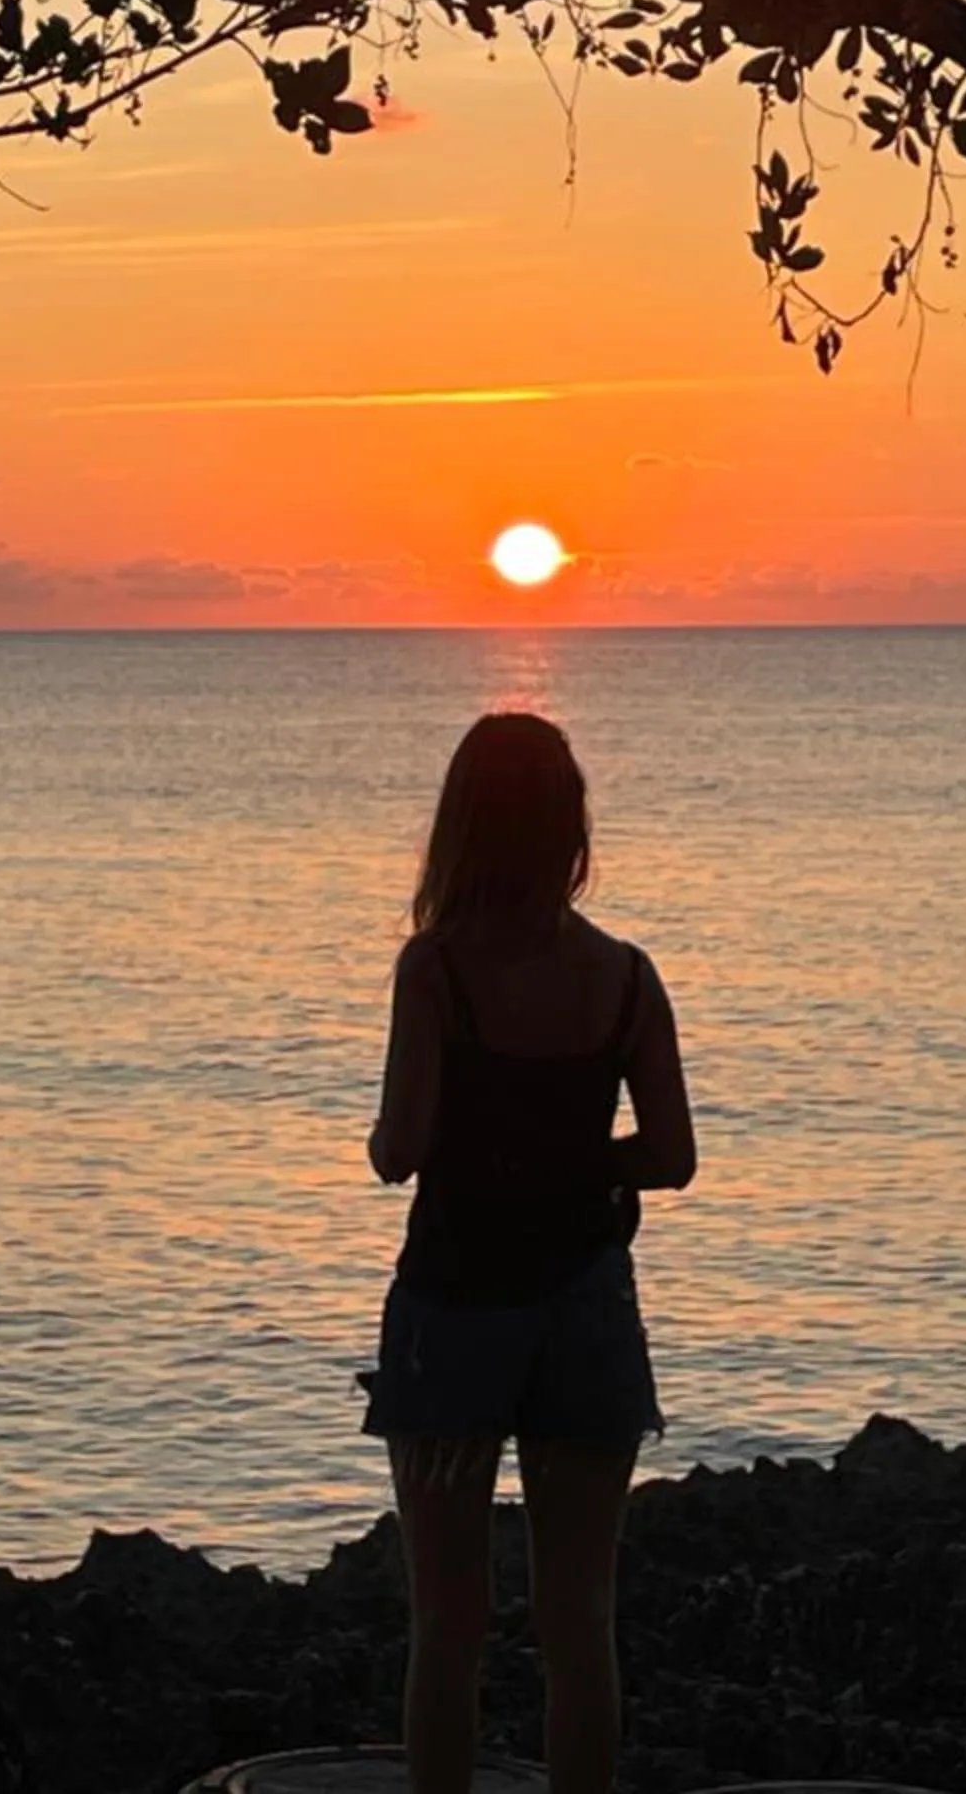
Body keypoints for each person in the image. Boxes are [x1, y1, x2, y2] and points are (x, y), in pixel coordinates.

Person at [363, 710, 697, 1794]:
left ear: (462, 828)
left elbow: (398, 1150)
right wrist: (581, 1161)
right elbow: (673, 1155)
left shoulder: (436, 971)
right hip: (587, 1309)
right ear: (568, 831)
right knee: (580, 1624)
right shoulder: (626, 976)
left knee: (448, 1628)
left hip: (457, 1307)